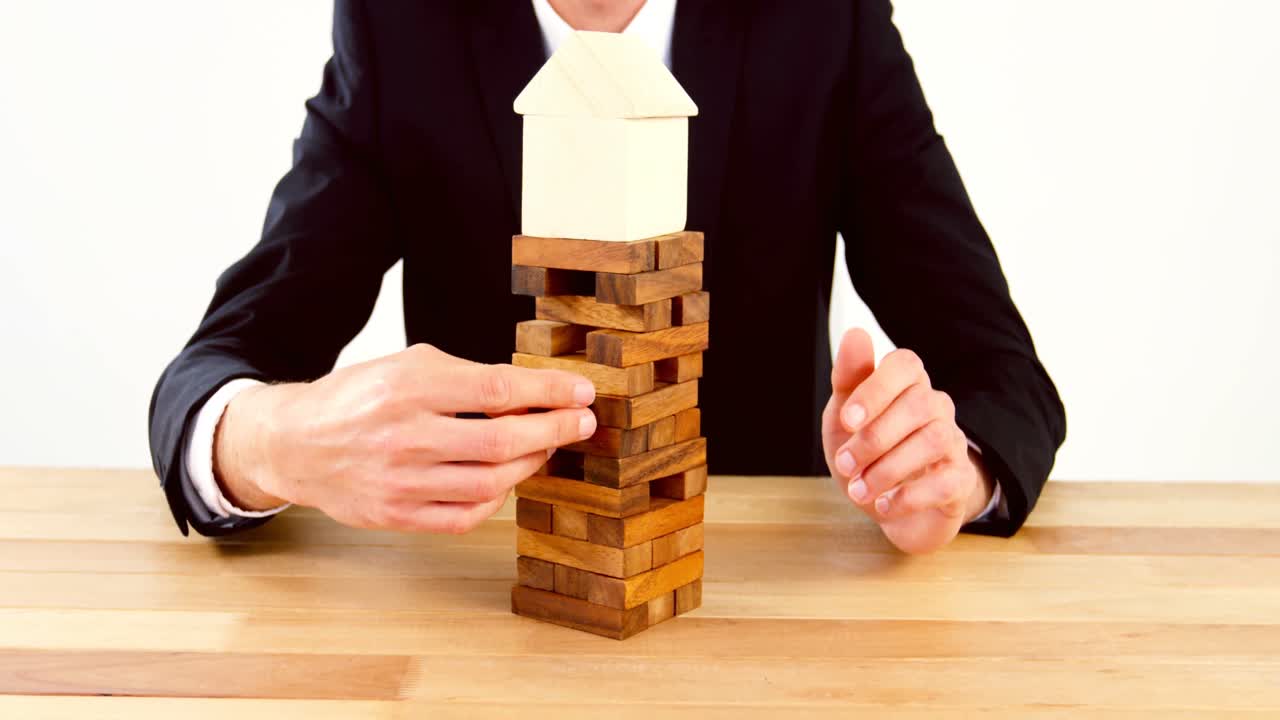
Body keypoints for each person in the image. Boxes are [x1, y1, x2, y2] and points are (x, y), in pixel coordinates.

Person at [149, 0, 1066, 555]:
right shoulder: (402, 25)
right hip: (489, 593)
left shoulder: (825, 19)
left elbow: (999, 375)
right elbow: (224, 358)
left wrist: (952, 468)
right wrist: (274, 442)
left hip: (753, 610)